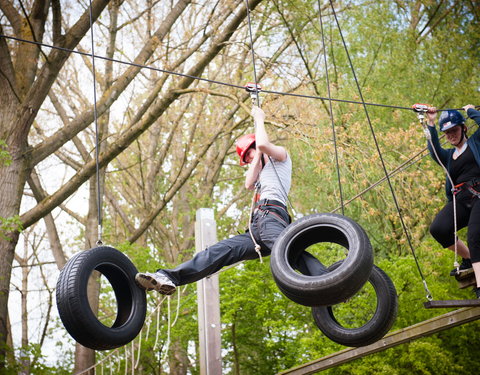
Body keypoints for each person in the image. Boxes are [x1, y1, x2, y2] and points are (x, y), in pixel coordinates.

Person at [135, 106, 324, 295]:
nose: (251, 159)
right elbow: (248, 183)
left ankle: (327, 280)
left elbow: (264, 146)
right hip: (256, 227)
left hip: (272, 215)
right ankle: (167, 277)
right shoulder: (260, 173)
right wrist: (256, 158)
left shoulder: (281, 158)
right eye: (248, 158)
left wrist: (259, 119)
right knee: (218, 252)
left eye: (250, 153)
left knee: (286, 251)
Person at [426, 104, 480, 298]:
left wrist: (471, 112)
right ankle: (469, 258)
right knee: (439, 229)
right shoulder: (448, 156)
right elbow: (434, 150)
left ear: (464, 128)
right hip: (461, 199)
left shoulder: (475, 143)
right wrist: (431, 123)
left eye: (454, 130)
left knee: (475, 236)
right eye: (447, 133)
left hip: (479, 194)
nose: (451, 135)